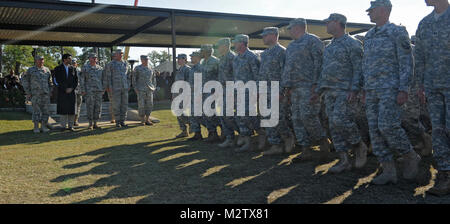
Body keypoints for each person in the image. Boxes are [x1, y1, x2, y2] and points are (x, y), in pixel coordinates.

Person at [363, 0, 421, 185]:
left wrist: (404, 88)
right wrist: (364, 88)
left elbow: (406, 62)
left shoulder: (397, 31)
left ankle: (410, 155)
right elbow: (366, 64)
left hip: (391, 88)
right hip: (372, 89)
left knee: (388, 126)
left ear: (383, 10)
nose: (369, 13)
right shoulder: (369, 35)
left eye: (372, 10)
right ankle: (388, 169)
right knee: (374, 129)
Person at [316, 13, 368, 173]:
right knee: (333, 125)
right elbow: (324, 70)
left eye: (328, 22)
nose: (326, 25)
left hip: (345, 91)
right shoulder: (330, 46)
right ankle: (343, 159)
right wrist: (318, 90)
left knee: (340, 121)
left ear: (338, 23)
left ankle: (359, 145)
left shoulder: (352, 43)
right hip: (329, 91)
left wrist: (355, 89)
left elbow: (359, 68)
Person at [282, 18, 330, 159]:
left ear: (298, 27)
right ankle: (305, 149)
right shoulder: (291, 46)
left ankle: (323, 142)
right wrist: (287, 86)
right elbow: (288, 68)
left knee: (308, 116)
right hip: (295, 88)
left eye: (290, 28)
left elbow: (320, 63)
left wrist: (316, 85)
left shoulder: (312, 41)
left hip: (309, 86)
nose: (289, 31)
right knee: (296, 118)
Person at [415, 0, 449, 196]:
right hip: (433, 85)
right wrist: (420, 84)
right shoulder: (424, 23)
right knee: (437, 130)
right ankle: (445, 173)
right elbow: (419, 56)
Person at [257, 27, 296, 155]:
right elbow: (261, 74)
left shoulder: (282, 52)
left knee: (279, 118)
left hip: (277, 90)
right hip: (265, 91)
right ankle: (276, 144)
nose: (263, 37)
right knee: (267, 118)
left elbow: (286, 73)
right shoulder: (265, 53)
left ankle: (288, 138)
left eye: (265, 35)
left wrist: (282, 91)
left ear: (274, 35)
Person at [232, 34, 261, 152]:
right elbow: (235, 77)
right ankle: (247, 140)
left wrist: (257, 91)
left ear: (242, 43)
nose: (234, 44)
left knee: (248, 116)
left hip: (249, 92)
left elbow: (257, 75)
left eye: (236, 42)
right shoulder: (237, 58)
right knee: (240, 116)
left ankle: (259, 136)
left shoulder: (251, 57)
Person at [216, 38, 240, 148]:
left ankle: (242, 134)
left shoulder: (233, 57)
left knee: (229, 115)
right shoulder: (222, 58)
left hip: (231, 90)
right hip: (222, 89)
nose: (218, 48)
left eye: (219, 46)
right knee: (223, 114)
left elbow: (236, 76)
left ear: (226, 45)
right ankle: (230, 138)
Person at [22, 55, 53, 133]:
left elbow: (50, 82)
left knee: (46, 111)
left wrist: (50, 91)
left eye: (42, 59)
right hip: (35, 94)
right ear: (36, 60)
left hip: (45, 95)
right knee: (36, 111)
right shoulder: (30, 70)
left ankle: (43, 127)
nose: (41, 61)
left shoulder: (47, 70)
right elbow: (25, 81)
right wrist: (28, 92)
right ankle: (36, 127)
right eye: (39, 60)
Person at [200, 44, 221, 143]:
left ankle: (223, 132)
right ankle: (212, 133)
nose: (201, 52)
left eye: (203, 50)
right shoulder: (203, 62)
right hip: (204, 91)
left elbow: (220, 76)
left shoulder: (216, 61)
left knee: (214, 113)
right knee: (206, 113)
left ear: (208, 51)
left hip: (213, 91)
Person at [105, 49, 131, 128]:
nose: (121, 55)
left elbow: (129, 75)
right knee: (116, 105)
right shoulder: (110, 64)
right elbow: (108, 77)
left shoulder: (126, 63)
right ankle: (117, 121)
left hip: (124, 87)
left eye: (122, 54)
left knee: (124, 105)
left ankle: (123, 121)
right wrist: (109, 87)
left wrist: (128, 85)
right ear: (115, 55)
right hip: (115, 88)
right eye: (119, 54)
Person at [80, 53, 106, 130]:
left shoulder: (100, 68)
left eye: (95, 58)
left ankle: (96, 123)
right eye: (93, 57)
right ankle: (90, 124)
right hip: (89, 91)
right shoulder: (85, 68)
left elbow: (103, 79)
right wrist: (83, 89)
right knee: (90, 107)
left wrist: (103, 89)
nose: (94, 59)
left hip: (98, 90)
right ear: (89, 58)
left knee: (98, 107)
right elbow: (82, 80)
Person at [53, 53, 78, 131]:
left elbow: (76, 80)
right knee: (63, 109)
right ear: (64, 59)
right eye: (69, 58)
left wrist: (72, 88)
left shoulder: (73, 68)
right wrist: (64, 89)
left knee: (71, 109)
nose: (70, 60)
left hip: (71, 92)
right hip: (62, 92)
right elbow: (55, 80)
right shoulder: (57, 68)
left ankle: (71, 126)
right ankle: (63, 126)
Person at [133, 55, 157, 126]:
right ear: (141, 60)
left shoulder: (151, 68)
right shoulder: (137, 68)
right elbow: (134, 79)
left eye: (147, 59)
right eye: (144, 59)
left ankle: (147, 119)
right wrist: (135, 88)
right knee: (141, 105)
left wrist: (154, 87)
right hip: (140, 89)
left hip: (149, 89)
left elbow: (154, 79)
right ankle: (142, 120)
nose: (146, 60)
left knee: (149, 105)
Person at [187, 51, 204, 141]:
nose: (191, 58)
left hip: (198, 94)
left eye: (192, 56)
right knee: (193, 114)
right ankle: (197, 133)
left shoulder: (200, 67)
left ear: (197, 57)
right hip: (193, 94)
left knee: (200, 115)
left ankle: (213, 132)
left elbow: (200, 81)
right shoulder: (193, 68)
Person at [174, 54, 191, 138]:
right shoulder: (180, 69)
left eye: (180, 59)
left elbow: (188, 83)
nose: (178, 60)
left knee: (182, 112)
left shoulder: (187, 69)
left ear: (184, 59)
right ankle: (184, 131)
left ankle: (191, 124)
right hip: (177, 94)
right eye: (178, 59)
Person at [72, 58, 82, 126]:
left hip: (79, 91)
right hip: (71, 91)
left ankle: (76, 120)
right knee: (72, 106)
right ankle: (71, 121)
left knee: (78, 106)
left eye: (74, 63)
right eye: (72, 63)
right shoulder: (69, 70)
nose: (73, 64)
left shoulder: (80, 70)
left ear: (76, 64)